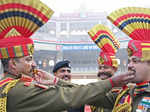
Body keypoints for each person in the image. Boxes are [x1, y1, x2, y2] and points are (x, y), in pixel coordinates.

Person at [0, 1, 135, 111]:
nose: (34, 64)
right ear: (12, 64)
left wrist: (55, 81)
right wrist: (112, 82)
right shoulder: (20, 91)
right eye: (28, 59)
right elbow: (71, 96)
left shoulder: (7, 87)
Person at [85, 7, 150, 112]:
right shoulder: (126, 94)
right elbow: (86, 94)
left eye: (135, 61)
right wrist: (57, 81)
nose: (129, 65)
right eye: (129, 61)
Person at [88, 24, 121, 112]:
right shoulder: (96, 89)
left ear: (115, 69)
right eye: (100, 68)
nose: (102, 71)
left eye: (105, 67)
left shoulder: (121, 91)